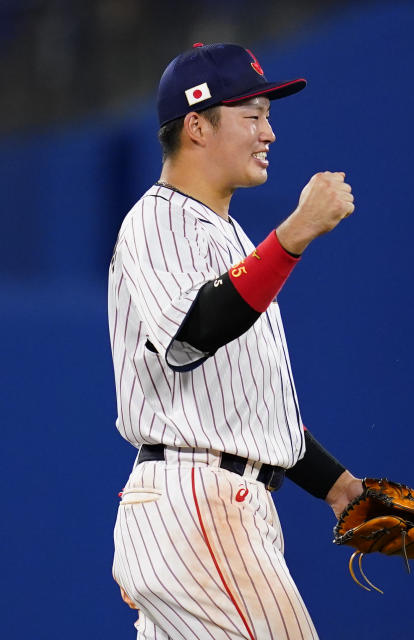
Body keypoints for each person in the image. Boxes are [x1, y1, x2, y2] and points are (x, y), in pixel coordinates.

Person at [108, 42, 363, 639]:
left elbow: (245, 406)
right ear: (196, 124)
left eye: (268, 117)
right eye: (252, 116)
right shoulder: (159, 219)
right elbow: (193, 333)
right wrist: (295, 232)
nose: (269, 134)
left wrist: (340, 488)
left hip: (213, 500)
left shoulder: (227, 236)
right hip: (200, 502)